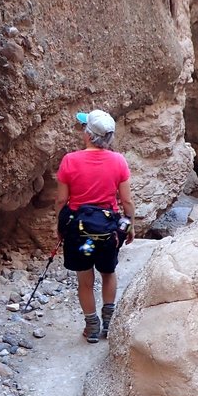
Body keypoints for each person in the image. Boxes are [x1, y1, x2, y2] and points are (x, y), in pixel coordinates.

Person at [54, 109, 135, 343]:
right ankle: (108, 323)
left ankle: (91, 327)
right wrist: (129, 226)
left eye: (83, 128)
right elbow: (127, 201)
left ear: (88, 134)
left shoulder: (70, 161)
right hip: (108, 232)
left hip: (80, 233)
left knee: (85, 278)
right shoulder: (118, 161)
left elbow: (61, 200)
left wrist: (61, 227)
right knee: (108, 273)